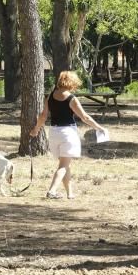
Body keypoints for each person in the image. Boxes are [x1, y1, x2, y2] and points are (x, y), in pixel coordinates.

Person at [30, 70, 105, 199]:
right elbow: (85, 117)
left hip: (54, 133)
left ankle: (70, 193)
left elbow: (43, 116)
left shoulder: (51, 96)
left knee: (64, 164)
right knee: (64, 165)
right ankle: (52, 191)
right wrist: (99, 128)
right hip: (68, 134)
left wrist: (36, 130)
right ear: (71, 83)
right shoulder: (71, 99)